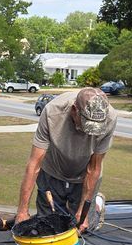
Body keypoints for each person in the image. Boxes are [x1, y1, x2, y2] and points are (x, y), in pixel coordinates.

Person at [15, 87, 117, 232]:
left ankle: (97, 203)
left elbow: (94, 167)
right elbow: (34, 163)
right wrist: (22, 210)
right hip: (52, 170)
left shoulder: (110, 118)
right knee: (48, 225)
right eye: (85, 124)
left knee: (84, 227)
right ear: (74, 110)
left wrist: (83, 210)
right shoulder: (52, 112)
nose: (88, 133)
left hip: (84, 175)